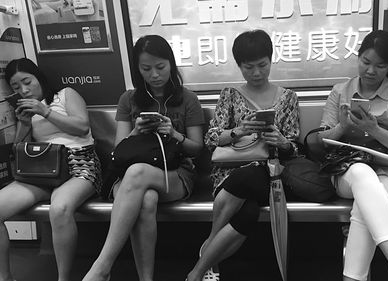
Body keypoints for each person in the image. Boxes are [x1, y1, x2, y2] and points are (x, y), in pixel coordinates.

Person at [82, 35, 205, 281]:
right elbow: (118, 150)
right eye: (146, 69)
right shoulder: (128, 99)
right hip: (129, 177)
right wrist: (137, 132)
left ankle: (102, 267)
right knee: (146, 200)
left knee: (138, 172)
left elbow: (197, 149)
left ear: (171, 64)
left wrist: (173, 133)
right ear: (137, 70)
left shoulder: (188, 99)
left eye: (160, 67)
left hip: (175, 175)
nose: (155, 75)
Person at [186, 29, 300, 281]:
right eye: (249, 67)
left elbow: (294, 148)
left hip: (270, 172)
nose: (257, 73)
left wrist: (280, 141)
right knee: (247, 213)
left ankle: (198, 268)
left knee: (250, 176)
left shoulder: (289, 98)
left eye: (262, 65)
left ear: (271, 60)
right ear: (239, 66)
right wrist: (239, 130)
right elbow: (211, 140)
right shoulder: (229, 95)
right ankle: (207, 267)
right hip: (229, 172)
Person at [318, 30, 388, 281]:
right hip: (348, 170)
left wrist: (373, 129)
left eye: (380, 65)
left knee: (365, 209)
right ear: (358, 57)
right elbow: (321, 141)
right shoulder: (340, 91)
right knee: (363, 176)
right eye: (365, 62)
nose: (371, 71)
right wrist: (342, 127)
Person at [0, 58, 101, 281]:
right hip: (42, 169)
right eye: (16, 87)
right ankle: (5, 277)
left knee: (59, 208)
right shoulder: (25, 109)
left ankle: (63, 278)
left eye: (27, 82)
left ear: (39, 78)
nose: (24, 90)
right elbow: (19, 149)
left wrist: (45, 112)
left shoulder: (65, 95)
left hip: (80, 164)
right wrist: (24, 125)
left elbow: (82, 126)